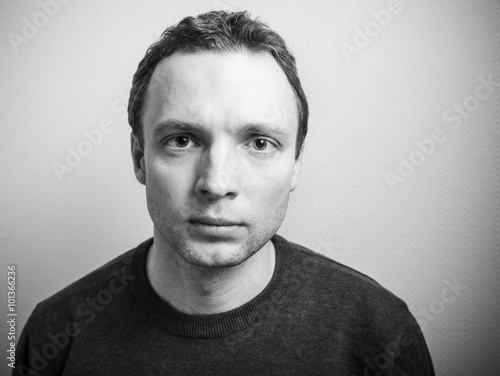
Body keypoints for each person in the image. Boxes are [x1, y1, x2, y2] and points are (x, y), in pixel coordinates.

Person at [14, 10, 435, 375]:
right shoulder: (55, 335)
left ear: (296, 164)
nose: (216, 183)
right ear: (140, 158)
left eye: (258, 143)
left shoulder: (381, 337)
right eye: (182, 140)